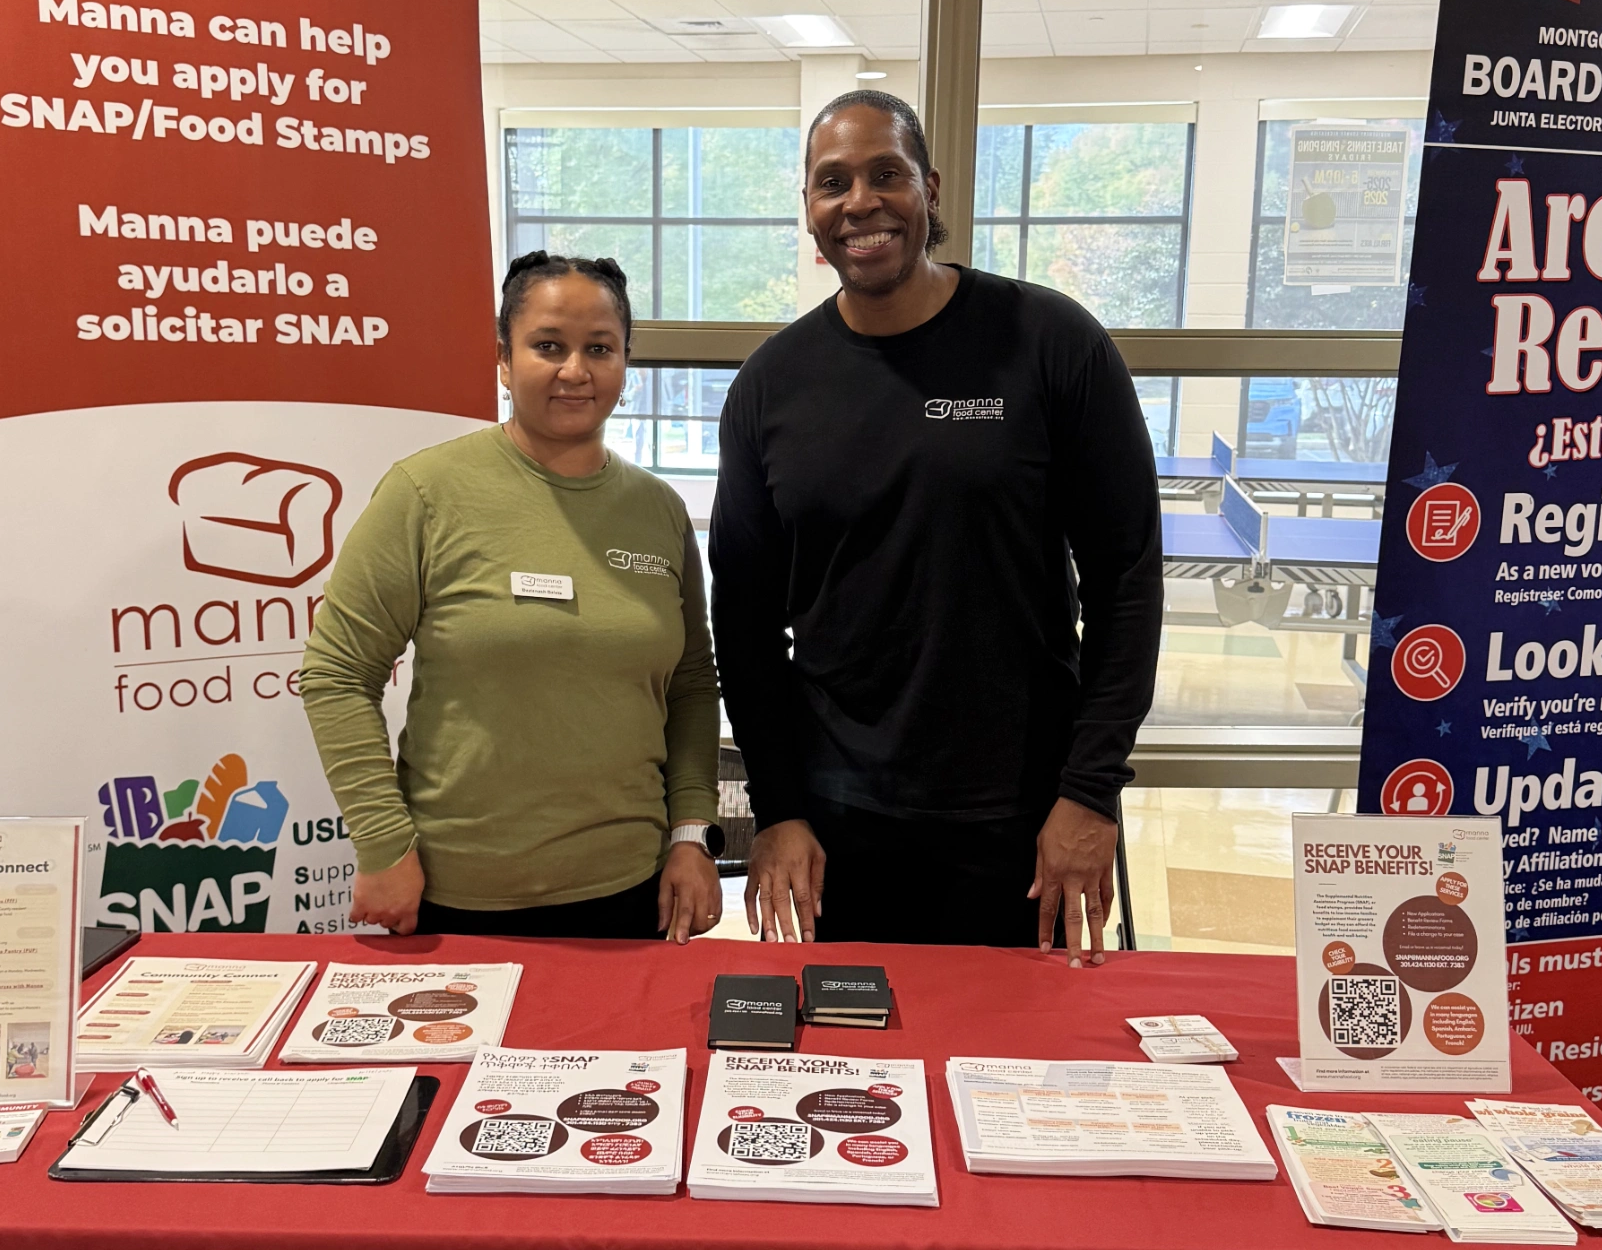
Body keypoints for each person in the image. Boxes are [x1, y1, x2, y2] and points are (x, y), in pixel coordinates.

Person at [710, 90, 1162, 966]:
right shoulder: (771, 386)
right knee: (855, 1048)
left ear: (931, 188)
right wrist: (779, 809)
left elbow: (1128, 581)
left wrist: (1089, 792)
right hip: (840, 821)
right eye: (833, 182)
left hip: (1024, 816)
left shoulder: (1050, 342)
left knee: (1023, 1043)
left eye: (887, 174)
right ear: (809, 208)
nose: (860, 202)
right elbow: (746, 623)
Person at [301, 251, 726, 942]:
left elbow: (692, 686)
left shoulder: (659, 510)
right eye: (548, 346)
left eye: (600, 349)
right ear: (503, 359)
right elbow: (337, 674)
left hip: (630, 891)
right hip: (456, 894)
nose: (575, 370)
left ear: (626, 363)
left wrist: (691, 835)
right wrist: (382, 843)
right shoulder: (426, 493)